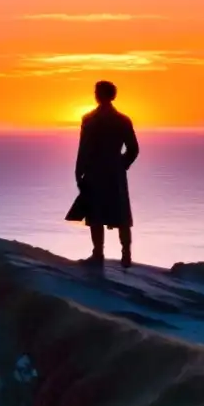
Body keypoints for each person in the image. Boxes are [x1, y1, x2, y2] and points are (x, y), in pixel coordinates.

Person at [66, 80, 139, 267]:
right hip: (112, 172)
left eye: (97, 91)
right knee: (117, 214)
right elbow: (133, 150)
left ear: (100, 94)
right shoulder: (121, 120)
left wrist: (79, 173)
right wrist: (121, 164)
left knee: (99, 214)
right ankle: (124, 255)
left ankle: (100, 253)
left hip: (97, 172)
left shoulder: (90, 119)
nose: (95, 94)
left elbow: (83, 150)